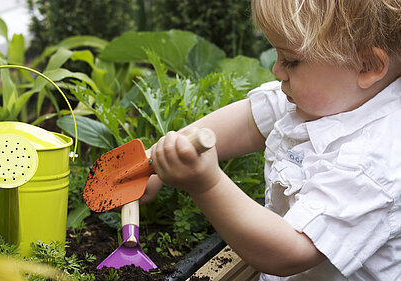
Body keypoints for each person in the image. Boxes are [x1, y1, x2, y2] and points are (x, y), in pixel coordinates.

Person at [142, 0, 401, 280]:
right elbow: (249, 121)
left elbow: (290, 252)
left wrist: (205, 184)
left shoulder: (373, 161)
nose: (277, 70)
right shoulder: (330, 96)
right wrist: (156, 160)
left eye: (291, 60)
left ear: (367, 66)